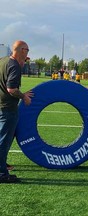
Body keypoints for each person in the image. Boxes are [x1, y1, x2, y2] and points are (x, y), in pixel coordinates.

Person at [0, 40, 33, 183]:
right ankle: (2, 174)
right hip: (7, 108)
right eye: (27, 50)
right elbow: (11, 89)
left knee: (5, 138)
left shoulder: (3, 61)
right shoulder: (14, 65)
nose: (27, 53)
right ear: (21, 50)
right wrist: (23, 96)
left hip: (2, 105)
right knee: (3, 140)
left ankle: (2, 167)